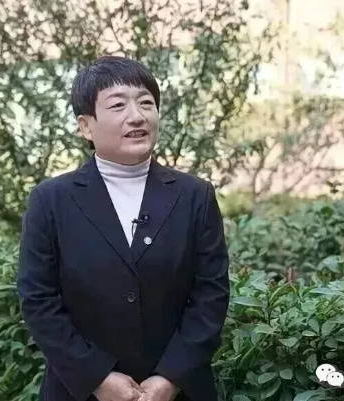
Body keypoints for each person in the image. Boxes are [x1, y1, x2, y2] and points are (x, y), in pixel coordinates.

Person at [17, 55, 230, 401]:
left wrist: (171, 378)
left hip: (180, 392)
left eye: (146, 103)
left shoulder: (195, 196)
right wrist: (97, 378)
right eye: (118, 105)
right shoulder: (51, 200)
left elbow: (211, 295)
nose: (137, 116)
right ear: (86, 125)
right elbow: (38, 300)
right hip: (80, 392)